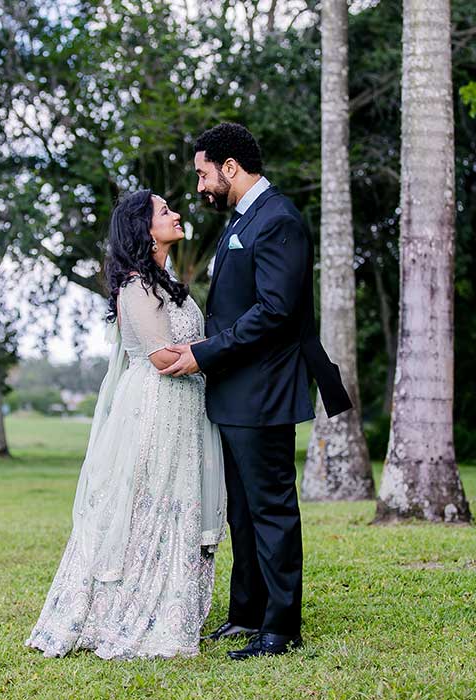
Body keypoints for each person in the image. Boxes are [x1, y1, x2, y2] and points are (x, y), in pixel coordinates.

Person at [160, 122, 353, 659]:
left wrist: (203, 353)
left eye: (203, 175)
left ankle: (281, 628)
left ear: (229, 167)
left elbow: (275, 311)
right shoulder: (240, 221)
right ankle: (245, 613)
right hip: (235, 390)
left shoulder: (279, 220)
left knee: (270, 510)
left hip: (264, 391)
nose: (199, 188)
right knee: (240, 512)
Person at [26, 190, 227, 660]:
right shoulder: (137, 286)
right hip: (156, 409)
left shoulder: (166, 280)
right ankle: (125, 611)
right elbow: (160, 357)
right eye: (164, 211)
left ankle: (169, 605)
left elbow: (182, 347)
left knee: (179, 501)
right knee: (147, 505)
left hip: (184, 407)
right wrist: (216, 351)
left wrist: (203, 350)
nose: (176, 214)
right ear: (143, 228)